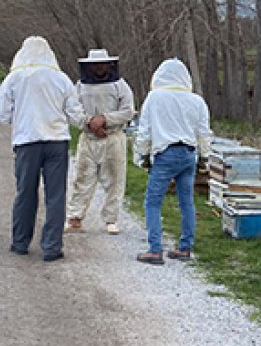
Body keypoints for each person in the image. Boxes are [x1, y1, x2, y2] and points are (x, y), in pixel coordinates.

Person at [0, 36, 95, 262]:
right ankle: (52, 247)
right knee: (56, 196)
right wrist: (90, 125)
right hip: (57, 142)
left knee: (25, 194)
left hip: (26, 142)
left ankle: (20, 242)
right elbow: (76, 114)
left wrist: (19, 118)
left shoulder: (14, 78)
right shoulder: (61, 79)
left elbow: (0, 113)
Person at [133, 58, 213, 265]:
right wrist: (205, 158)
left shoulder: (155, 97)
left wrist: (141, 157)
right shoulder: (196, 101)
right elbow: (204, 134)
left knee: (152, 202)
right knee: (186, 202)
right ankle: (185, 247)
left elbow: (144, 132)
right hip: (189, 154)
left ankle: (155, 249)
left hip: (165, 153)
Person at [66, 49, 136, 235]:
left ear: (109, 65)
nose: (99, 67)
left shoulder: (120, 85)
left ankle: (111, 220)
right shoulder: (79, 86)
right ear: (88, 66)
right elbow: (72, 110)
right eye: (95, 64)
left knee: (114, 180)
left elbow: (128, 111)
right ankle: (75, 218)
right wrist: (89, 122)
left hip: (112, 138)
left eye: (102, 64)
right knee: (82, 178)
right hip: (88, 138)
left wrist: (105, 119)